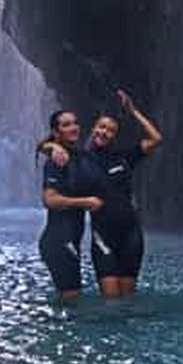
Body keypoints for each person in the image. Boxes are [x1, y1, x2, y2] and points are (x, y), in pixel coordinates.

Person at [44, 90, 162, 298]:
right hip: (103, 235)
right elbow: (54, 149)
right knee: (111, 300)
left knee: (127, 301)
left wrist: (133, 111)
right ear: (93, 129)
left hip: (131, 233)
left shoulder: (124, 157)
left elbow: (156, 138)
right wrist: (50, 145)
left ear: (115, 135)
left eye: (110, 130)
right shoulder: (82, 158)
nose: (104, 132)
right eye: (101, 127)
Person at [38, 109, 103, 303]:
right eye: (66, 125)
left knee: (70, 300)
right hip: (58, 240)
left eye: (74, 123)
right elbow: (49, 200)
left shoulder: (80, 156)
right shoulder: (56, 161)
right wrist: (85, 202)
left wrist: (46, 145)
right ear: (57, 132)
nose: (73, 127)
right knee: (71, 299)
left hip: (71, 239)